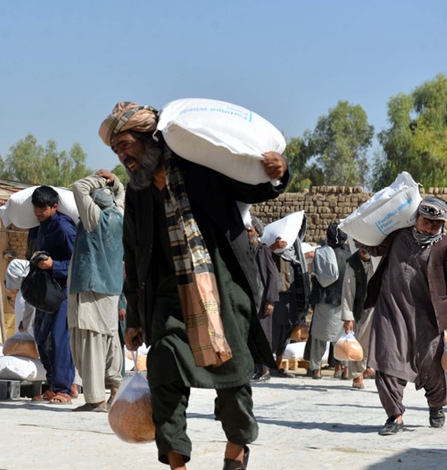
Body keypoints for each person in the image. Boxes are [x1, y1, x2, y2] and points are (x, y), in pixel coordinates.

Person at [101, 102, 287, 470]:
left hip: (222, 287)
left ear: (149, 138)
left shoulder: (199, 167)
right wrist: (135, 317)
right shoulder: (137, 191)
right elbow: (133, 253)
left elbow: (251, 187)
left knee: (234, 378)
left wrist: (277, 172)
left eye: (125, 145)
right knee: (164, 372)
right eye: (116, 150)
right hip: (168, 298)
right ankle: (177, 463)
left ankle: (236, 451)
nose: (122, 156)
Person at [357, 196, 447, 436]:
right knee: (385, 361)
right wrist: (358, 232)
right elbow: (375, 248)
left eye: (436, 224)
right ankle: (394, 416)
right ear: (416, 218)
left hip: (427, 317)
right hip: (391, 311)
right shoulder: (398, 236)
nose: (429, 227)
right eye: (426, 221)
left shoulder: (445, 245)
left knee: (431, 365)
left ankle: (436, 405)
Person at [67, 170, 125, 412]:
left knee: (89, 341)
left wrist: (99, 179)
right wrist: (115, 181)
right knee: (110, 338)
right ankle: (115, 387)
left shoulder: (94, 219)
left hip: (91, 286)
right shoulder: (120, 215)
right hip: (111, 289)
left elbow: (78, 187)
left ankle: (95, 399)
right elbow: (121, 195)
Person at [29, 185, 77, 404]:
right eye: (36, 207)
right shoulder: (40, 228)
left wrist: (53, 265)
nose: (38, 212)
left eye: (42, 208)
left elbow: (78, 263)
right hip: (45, 290)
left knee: (59, 339)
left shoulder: (64, 228)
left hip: (63, 291)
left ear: (55, 206)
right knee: (41, 337)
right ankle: (53, 385)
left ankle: (63, 389)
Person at [307, 223, 351, 379]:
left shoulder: (322, 253)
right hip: (343, 302)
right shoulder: (351, 255)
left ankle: (316, 369)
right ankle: (345, 369)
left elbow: (316, 277)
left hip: (324, 299)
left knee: (319, 337)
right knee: (342, 337)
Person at [269, 214, 310, 377]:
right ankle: (268, 365)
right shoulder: (277, 248)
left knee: (287, 331)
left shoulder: (296, 249)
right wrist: (274, 247)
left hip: (293, 296)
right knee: (275, 331)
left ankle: (278, 365)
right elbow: (261, 257)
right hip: (278, 296)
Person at [247, 217, 280, 382]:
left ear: (257, 232)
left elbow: (272, 276)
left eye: (250, 230)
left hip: (262, 300)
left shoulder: (262, 250)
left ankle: (264, 370)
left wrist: (270, 300)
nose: (247, 233)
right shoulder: (248, 251)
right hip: (251, 300)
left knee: (263, 335)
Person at [340, 248, 376, 389]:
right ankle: (357, 375)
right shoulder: (353, 264)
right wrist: (348, 318)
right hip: (361, 308)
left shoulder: (378, 259)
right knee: (359, 340)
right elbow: (347, 292)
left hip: (378, 306)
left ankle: (372, 368)